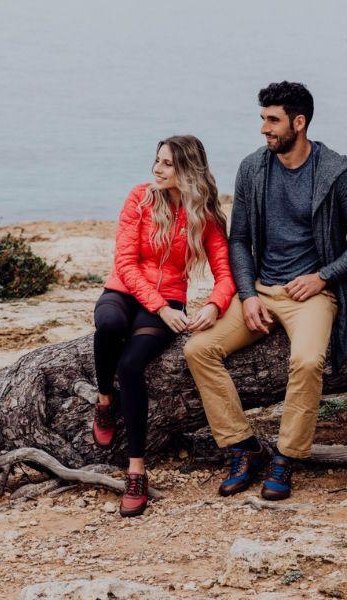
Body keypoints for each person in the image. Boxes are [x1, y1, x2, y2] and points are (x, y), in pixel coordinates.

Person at [184, 81, 347, 501]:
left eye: (272, 120)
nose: (264, 128)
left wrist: (323, 276)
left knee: (307, 361)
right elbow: (239, 240)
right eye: (262, 119)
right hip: (260, 289)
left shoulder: (336, 172)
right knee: (198, 349)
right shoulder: (252, 169)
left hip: (312, 295)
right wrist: (247, 295)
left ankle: (286, 457)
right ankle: (243, 446)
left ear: (299, 122)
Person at [93, 135, 236, 517]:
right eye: (157, 160)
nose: (157, 169)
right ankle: (104, 400)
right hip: (124, 290)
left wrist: (215, 305)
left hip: (170, 298)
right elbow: (125, 263)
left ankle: (136, 471)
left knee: (131, 366)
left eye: (167, 163)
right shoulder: (140, 198)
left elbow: (226, 274)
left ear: (188, 169)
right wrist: (158, 308)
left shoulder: (204, 215)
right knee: (108, 325)